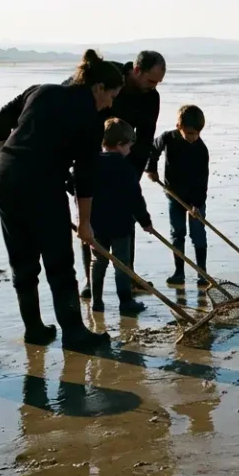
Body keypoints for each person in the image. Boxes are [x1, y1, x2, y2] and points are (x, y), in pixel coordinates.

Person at [0, 49, 121, 349]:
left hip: (5, 177)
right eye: (110, 96)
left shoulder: (40, 91)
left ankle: (34, 330)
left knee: (22, 261)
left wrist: (8, 157)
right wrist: (85, 223)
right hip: (41, 184)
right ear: (98, 88)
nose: (110, 104)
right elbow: (85, 177)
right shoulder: (89, 117)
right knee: (59, 262)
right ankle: (74, 333)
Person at [75, 50, 165, 299]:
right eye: (150, 80)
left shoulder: (151, 98)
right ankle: (90, 281)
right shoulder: (108, 75)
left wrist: (131, 176)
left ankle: (128, 275)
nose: (153, 87)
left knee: (125, 218)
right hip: (91, 157)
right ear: (136, 71)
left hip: (125, 162)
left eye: (158, 83)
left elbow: (146, 139)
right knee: (91, 219)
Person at [89, 118, 155, 315]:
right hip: (121, 226)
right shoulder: (126, 169)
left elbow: (73, 185)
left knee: (97, 262)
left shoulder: (91, 163)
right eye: (128, 145)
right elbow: (136, 199)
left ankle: (97, 302)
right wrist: (145, 222)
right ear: (119, 145)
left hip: (96, 225)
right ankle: (125, 303)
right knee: (122, 264)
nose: (130, 150)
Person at [146, 105, 210, 288]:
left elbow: (202, 180)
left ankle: (202, 273)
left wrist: (197, 204)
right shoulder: (168, 138)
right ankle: (179, 272)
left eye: (195, 134)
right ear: (179, 127)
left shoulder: (201, 150)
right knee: (177, 233)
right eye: (189, 133)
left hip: (195, 198)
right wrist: (151, 168)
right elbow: (153, 149)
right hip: (174, 195)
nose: (192, 137)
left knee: (198, 234)